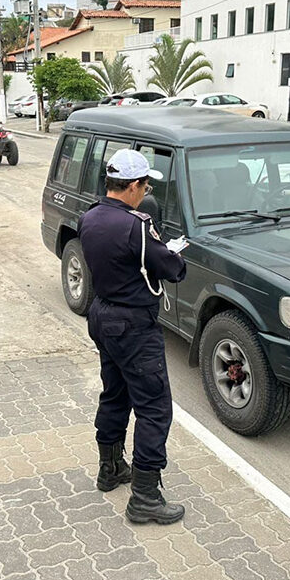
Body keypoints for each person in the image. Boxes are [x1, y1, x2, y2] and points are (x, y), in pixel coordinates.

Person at [77, 149, 188, 525]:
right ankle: (144, 496)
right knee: (154, 407)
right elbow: (170, 268)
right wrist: (173, 254)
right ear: (135, 186)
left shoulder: (90, 216)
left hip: (102, 314)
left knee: (115, 393)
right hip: (133, 324)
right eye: (145, 185)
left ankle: (110, 469)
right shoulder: (136, 225)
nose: (145, 192)